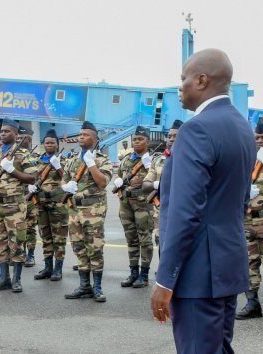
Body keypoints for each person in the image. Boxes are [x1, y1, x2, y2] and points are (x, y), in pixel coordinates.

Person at [151, 49, 255, 354]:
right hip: (227, 268)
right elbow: (237, 200)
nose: (179, 86)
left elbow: (185, 212)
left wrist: (166, 279)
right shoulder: (242, 128)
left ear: (201, 80)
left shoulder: (197, 129)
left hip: (198, 273)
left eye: (183, 78)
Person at [0, 119, 37, 292]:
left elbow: (32, 178)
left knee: (17, 242)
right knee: (0, 243)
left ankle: (16, 279)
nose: (3, 134)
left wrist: (12, 169)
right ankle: (3, 278)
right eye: (1, 131)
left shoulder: (22, 154)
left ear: (15, 134)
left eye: (7, 131)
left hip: (14, 206)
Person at [61, 121, 113, 302]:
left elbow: (103, 183)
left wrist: (91, 164)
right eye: (80, 134)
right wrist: (66, 186)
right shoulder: (73, 160)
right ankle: (84, 286)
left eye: (86, 135)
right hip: (74, 211)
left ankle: (97, 287)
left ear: (95, 139)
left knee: (95, 249)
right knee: (79, 248)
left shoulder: (102, 160)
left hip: (93, 211)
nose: (81, 137)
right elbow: (64, 181)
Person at [114, 126, 154, 288]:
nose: (137, 142)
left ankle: (144, 275)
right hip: (126, 205)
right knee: (131, 239)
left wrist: (148, 165)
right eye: (135, 139)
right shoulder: (126, 160)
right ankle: (133, 273)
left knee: (144, 239)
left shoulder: (152, 161)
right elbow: (120, 178)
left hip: (143, 205)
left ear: (147, 141)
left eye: (140, 139)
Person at [29, 129, 68, 281]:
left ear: (58, 145)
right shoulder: (38, 161)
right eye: (47, 143)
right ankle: (47, 267)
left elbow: (67, 177)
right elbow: (33, 177)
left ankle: (58, 268)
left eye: (52, 143)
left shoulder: (62, 160)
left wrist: (58, 166)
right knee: (45, 235)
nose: (49, 145)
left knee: (58, 237)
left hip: (57, 203)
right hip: (40, 203)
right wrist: (30, 187)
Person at [142, 120, 183, 253]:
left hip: (182, 212)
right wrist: (157, 185)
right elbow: (145, 185)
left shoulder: (191, 159)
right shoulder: (158, 160)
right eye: (169, 136)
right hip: (161, 212)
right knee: (161, 245)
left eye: (175, 136)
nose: (171, 139)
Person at [236, 119, 263, 320]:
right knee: (248, 263)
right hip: (247, 222)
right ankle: (252, 302)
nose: (259, 141)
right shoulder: (247, 160)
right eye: (257, 137)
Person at [17, 126, 39, 267]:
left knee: (30, 227)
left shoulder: (35, 157)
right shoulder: (15, 156)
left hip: (31, 197)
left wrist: (35, 185)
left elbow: (40, 174)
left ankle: (30, 254)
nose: (18, 140)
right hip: (18, 196)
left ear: (29, 140)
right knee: (19, 227)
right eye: (17, 138)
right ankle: (21, 253)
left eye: (21, 138)